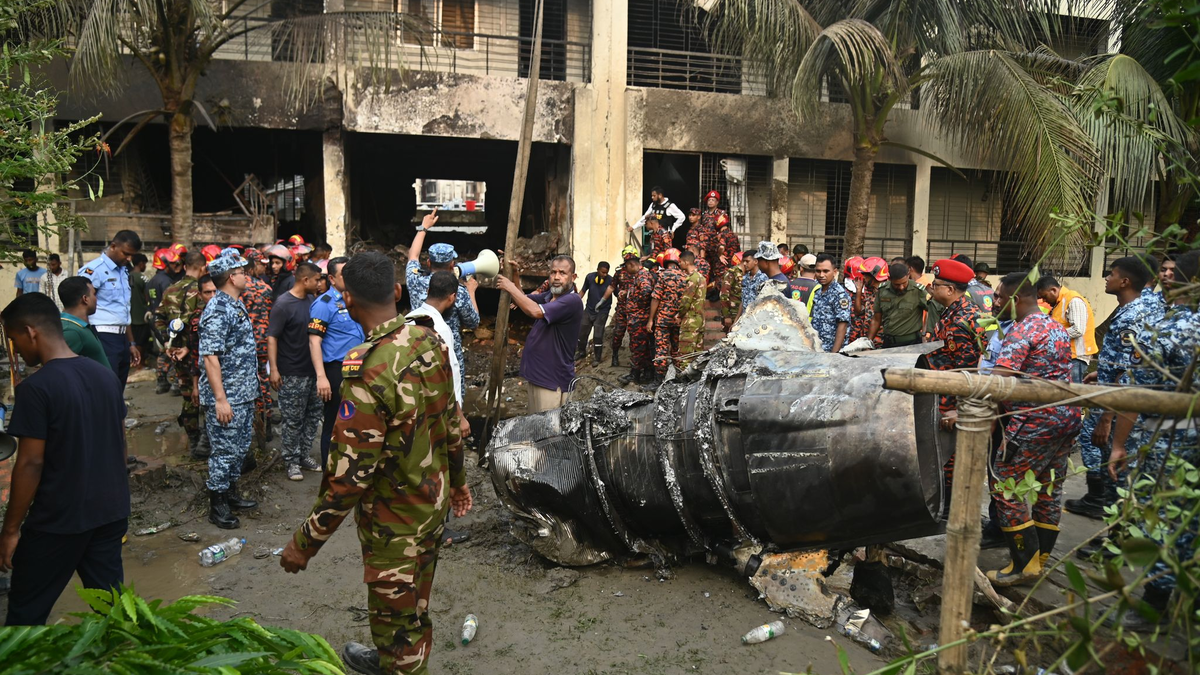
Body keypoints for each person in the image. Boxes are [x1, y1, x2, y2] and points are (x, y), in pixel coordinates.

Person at [279, 251, 470, 675]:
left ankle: (399, 662)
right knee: (414, 604)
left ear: (347, 301)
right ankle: (392, 658)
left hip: (393, 524)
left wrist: (304, 544)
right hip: (431, 505)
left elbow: (348, 479)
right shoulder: (429, 340)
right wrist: (457, 482)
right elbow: (449, 421)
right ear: (398, 292)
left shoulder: (366, 371)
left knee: (398, 619)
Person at [0, 293, 128, 625]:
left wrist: (11, 529)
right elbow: (119, 444)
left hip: (59, 519)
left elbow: (30, 463)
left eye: (13, 339)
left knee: (26, 611)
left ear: (30, 333)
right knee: (113, 607)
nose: (16, 350)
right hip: (110, 511)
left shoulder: (36, 388)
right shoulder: (105, 377)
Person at [1109, 250, 1199, 629]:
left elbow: (1137, 394)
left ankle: (1155, 605)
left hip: (1168, 438)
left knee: (1159, 521)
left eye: (1171, 271)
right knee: (1188, 521)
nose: (1164, 274)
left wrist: (1118, 444)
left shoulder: (1163, 329)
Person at [985, 272, 1081, 586]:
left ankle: (1023, 565)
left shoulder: (1021, 331)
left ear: (1016, 299)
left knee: (1006, 488)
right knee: (1049, 489)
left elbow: (1001, 378)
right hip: (1066, 418)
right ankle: (1039, 561)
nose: (995, 303)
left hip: (1032, 422)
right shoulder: (1056, 326)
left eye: (999, 298)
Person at [1064, 257, 1163, 522]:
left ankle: (1113, 535)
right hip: (1117, 396)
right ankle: (1109, 525)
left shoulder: (1129, 317)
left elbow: (1128, 375)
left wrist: (1106, 419)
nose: (1106, 278)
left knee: (1115, 469)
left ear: (1125, 282)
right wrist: (1104, 371)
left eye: (1111, 274)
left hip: (1119, 407)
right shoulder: (1138, 307)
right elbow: (1125, 362)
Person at [198, 249, 259, 530]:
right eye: (243, 272)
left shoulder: (234, 304)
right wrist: (221, 400)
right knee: (223, 450)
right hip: (228, 396)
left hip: (243, 391)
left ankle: (231, 493)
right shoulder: (218, 310)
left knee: (239, 448)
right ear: (232, 278)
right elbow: (210, 357)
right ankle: (217, 503)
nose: (246, 275)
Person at [405, 209, 481, 395]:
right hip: (449, 353)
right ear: (452, 265)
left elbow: (413, 256)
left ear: (429, 263)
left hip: (419, 350)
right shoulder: (459, 291)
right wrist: (471, 291)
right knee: (452, 397)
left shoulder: (415, 280)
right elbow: (473, 322)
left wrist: (423, 228)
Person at [497, 256, 583, 412]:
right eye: (553, 272)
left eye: (562, 273)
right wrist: (515, 275)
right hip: (538, 376)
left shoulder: (572, 301)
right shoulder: (549, 296)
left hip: (552, 380)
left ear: (573, 277)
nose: (556, 277)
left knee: (547, 432)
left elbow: (534, 311)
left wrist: (509, 286)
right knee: (535, 427)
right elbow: (522, 300)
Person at [268, 262, 324, 481]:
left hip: (313, 370)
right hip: (292, 372)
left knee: (312, 416)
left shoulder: (312, 301)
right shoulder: (283, 304)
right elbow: (272, 337)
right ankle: (291, 461)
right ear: (305, 280)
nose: (320, 284)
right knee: (293, 419)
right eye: (317, 279)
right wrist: (274, 369)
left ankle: (303, 455)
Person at [307, 256, 364, 467]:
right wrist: (321, 377)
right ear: (332, 278)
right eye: (344, 274)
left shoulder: (356, 299)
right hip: (335, 371)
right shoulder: (324, 304)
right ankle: (329, 474)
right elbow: (314, 342)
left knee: (356, 421)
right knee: (333, 425)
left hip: (358, 370)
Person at [78, 230, 143, 389]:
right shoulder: (93, 271)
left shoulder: (123, 270)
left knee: (118, 387)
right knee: (104, 387)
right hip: (102, 335)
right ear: (113, 246)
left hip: (121, 338)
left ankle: (115, 415)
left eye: (132, 255)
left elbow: (122, 310)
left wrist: (131, 343)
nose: (129, 259)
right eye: (126, 253)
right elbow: (80, 307)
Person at [925, 259, 985, 430]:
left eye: (936, 285)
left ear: (950, 290)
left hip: (952, 405)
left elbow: (966, 371)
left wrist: (959, 411)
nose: (932, 288)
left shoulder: (960, 320)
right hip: (944, 394)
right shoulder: (957, 310)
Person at [157, 252, 207, 450]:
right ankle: (206, 443)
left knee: (188, 396)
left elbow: (158, 317)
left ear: (185, 266)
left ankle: (193, 439)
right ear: (203, 268)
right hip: (197, 353)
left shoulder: (170, 289)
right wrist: (188, 347)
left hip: (177, 353)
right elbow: (201, 325)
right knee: (206, 394)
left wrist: (169, 345)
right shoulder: (203, 291)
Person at [240, 248, 275, 449]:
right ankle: (266, 425)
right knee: (263, 383)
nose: (264, 267)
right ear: (252, 265)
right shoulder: (266, 288)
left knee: (247, 384)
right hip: (264, 344)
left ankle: (252, 426)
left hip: (246, 344)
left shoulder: (239, 287)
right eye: (261, 264)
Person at [1036, 276, 1097, 383]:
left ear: (1053, 290)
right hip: (1066, 357)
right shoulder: (1059, 304)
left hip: (1076, 358)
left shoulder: (1073, 300)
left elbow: (1078, 330)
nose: (1044, 301)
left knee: (1072, 393)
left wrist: (1051, 336)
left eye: (1044, 297)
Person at [645, 248, 688, 390]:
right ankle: (678, 380)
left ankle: (659, 381)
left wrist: (651, 319)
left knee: (661, 350)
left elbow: (655, 298)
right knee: (677, 350)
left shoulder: (662, 276)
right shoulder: (685, 276)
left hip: (663, 320)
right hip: (678, 320)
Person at [868, 262, 928, 348]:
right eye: (897, 284)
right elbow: (876, 320)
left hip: (911, 343)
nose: (901, 287)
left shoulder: (918, 291)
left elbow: (933, 310)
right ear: (889, 279)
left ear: (908, 276)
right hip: (889, 343)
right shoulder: (882, 291)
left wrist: (925, 333)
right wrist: (868, 343)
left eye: (904, 283)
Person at [617, 254, 655, 386]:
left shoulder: (642, 275)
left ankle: (635, 375)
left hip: (639, 319)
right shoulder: (639, 276)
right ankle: (647, 373)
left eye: (626, 266)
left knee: (637, 347)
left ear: (632, 264)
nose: (626, 269)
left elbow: (646, 291)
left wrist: (637, 305)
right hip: (638, 318)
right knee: (643, 348)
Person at [57, 277, 110, 368]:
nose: (96, 299)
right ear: (85, 299)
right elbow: (57, 368)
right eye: (94, 294)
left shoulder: (79, 326)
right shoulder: (71, 331)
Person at [147, 248, 180, 394]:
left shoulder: (151, 281)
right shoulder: (166, 282)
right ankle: (174, 383)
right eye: (173, 264)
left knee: (162, 351)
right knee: (171, 350)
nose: (175, 267)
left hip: (155, 320)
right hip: (165, 322)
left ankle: (161, 382)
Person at [810, 254, 851, 353]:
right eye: (818, 271)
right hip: (817, 348)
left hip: (831, 350)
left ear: (835, 272)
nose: (821, 275)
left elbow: (843, 325)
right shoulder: (818, 292)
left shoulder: (840, 295)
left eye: (826, 271)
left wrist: (834, 354)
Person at [575, 261, 614, 365]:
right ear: (597, 270)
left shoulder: (611, 280)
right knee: (582, 331)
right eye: (602, 272)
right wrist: (575, 301)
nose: (604, 275)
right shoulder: (590, 277)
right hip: (589, 309)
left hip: (602, 311)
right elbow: (583, 291)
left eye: (606, 273)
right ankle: (581, 352)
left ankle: (597, 358)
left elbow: (617, 293)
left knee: (598, 334)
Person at [608, 246, 640, 367]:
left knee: (636, 337)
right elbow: (612, 287)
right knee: (618, 333)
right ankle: (614, 355)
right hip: (622, 309)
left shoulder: (641, 273)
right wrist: (602, 300)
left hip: (636, 310)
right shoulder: (619, 272)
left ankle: (634, 362)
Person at [676, 250, 707, 363]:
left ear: (686, 262)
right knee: (698, 354)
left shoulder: (692, 279)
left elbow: (686, 302)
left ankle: (684, 379)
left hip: (690, 321)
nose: (679, 264)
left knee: (686, 354)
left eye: (681, 262)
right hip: (700, 320)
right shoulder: (701, 277)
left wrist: (679, 315)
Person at [850, 257, 887, 345]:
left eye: (866, 275)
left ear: (874, 275)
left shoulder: (886, 293)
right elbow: (858, 312)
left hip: (881, 341)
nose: (864, 278)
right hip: (868, 340)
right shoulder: (869, 291)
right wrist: (859, 291)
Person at [129, 253, 152, 369]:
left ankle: (134, 362)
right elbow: (148, 295)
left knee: (133, 340)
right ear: (141, 264)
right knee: (141, 342)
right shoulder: (143, 278)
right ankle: (140, 364)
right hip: (141, 315)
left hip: (130, 315)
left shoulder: (127, 276)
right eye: (145, 264)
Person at [699, 190, 728, 263]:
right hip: (706, 245)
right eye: (709, 200)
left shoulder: (721, 214)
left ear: (717, 202)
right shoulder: (704, 214)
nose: (710, 202)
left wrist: (721, 245)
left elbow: (724, 230)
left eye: (713, 200)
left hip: (716, 245)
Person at [720, 251, 744, 331]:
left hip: (743, 314)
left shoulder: (750, 274)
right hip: (732, 313)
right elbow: (724, 295)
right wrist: (726, 316)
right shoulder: (732, 273)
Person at [740, 250, 767, 314]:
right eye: (743, 261)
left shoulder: (763, 278)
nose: (744, 264)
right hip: (744, 317)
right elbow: (743, 301)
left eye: (747, 261)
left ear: (755, 261)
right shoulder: (745, 278)